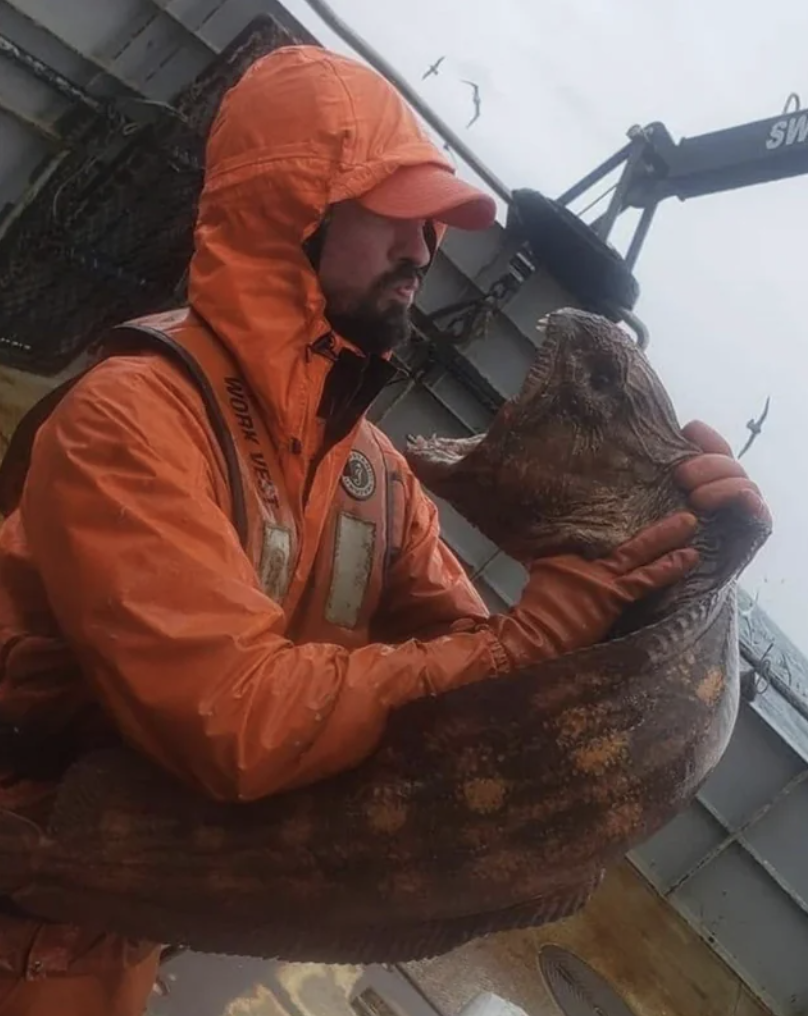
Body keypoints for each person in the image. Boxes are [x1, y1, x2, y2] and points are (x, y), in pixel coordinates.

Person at [0, 44, 769, 1016]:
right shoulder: (133, 417)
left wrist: (663, 581)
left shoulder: (369, 472)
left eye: (436, 226)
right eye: (399, 215)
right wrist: (523, 636)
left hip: (125, 905)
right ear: (295, 211)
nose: (424, 252)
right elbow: (231, 724)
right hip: (26, 902)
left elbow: (478, 669)